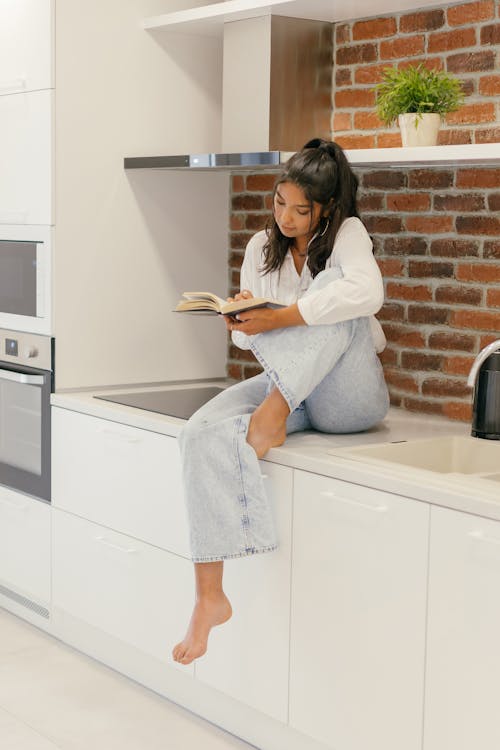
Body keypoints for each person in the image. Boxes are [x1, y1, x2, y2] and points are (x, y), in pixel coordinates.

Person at [172, 138, 389, 666]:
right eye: (278, 203)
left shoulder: (346, 235)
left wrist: (282, 316)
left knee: (342, 296)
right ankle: (209, 595)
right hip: (293, 390)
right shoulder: (259, 248)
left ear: (327, 209)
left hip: (348, 400)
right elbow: (249, 343)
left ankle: (273, 415)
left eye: (300, 209)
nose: (285, 217)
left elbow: (369, 295)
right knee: (198, 431)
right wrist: (244, 317)